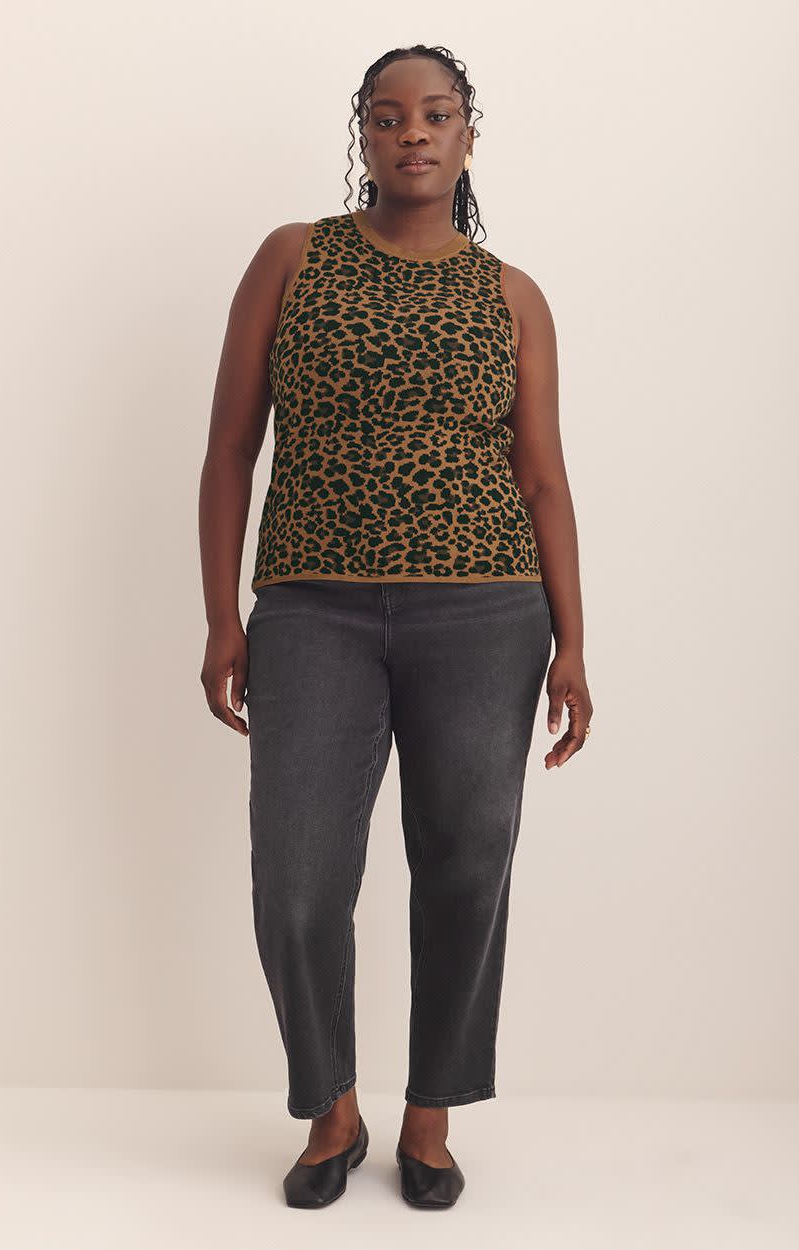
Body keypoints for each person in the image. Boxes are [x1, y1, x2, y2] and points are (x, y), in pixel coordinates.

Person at [198, 43, 593, 1209]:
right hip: (311, 607)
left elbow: (543, 480)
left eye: (435, 114)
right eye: (387, 115)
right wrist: (221, 617)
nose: (411, 132)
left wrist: (574, 643)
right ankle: (332, 1107)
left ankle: (430, 1113)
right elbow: (228, 449)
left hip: (485, 609)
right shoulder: (292, 258)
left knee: (466, 861)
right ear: (362, 134)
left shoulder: (510, 294)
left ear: (467, 133)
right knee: (297, 879)